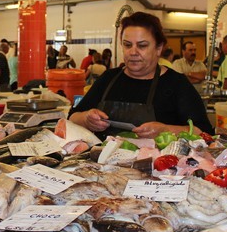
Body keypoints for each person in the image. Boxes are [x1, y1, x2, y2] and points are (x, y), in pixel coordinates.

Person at [69, 11, 213, 138]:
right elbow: (73, 117)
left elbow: (204, 132)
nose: (133, 52)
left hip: (157, 167)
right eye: (127, 45)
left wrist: (166, 130)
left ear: (158, 48)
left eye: (142, 45)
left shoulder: (176, 84)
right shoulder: (109, 78)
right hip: (102, 165)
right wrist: (86, 118)